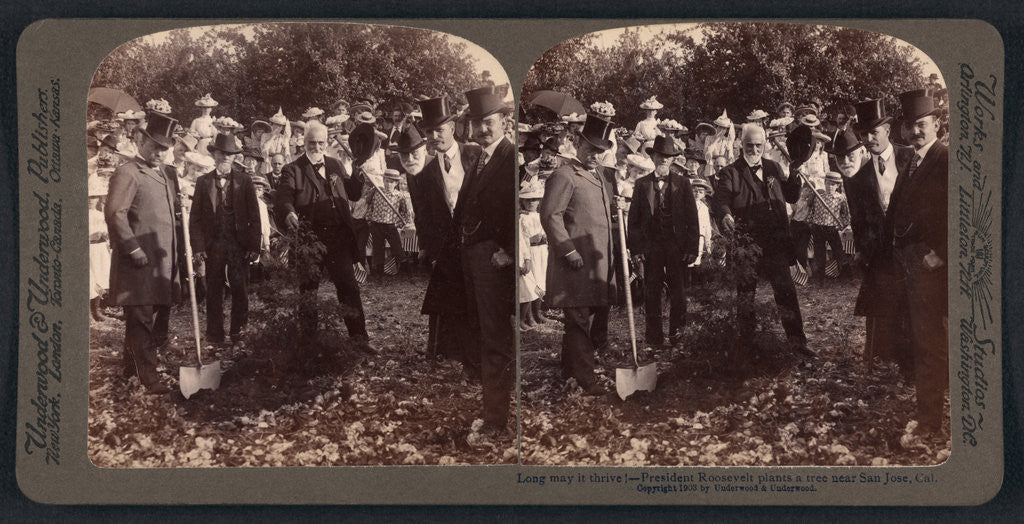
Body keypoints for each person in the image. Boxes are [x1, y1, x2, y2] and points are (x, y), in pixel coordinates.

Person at [713, 124, 811, 361]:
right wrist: (725, 214)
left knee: (786, 293)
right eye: (749, 145)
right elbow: (721, 199)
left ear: (765, 144)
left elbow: (790, 196)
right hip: (748, 247)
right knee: (746, 296)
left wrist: (795, 173)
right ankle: (747, 346)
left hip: (776, 244)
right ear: (741, 145)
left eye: (759, 145)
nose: (754, 149)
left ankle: (798, 345)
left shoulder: (774, 167)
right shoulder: (730, 172)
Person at [540, 112, 619, 396]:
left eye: (600, 151)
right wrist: (568, 249)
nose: (594, 156)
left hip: (596, 264)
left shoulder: (599, 175)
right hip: (574, 262)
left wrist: (616, 205)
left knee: (585, 316)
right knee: (578, 319)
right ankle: (586, 378)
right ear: (577, 144)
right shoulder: (564, 175)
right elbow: (550, 215)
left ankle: (567, 369)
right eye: (590, 149)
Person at [105, 112, 182, 394]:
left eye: (165, 149)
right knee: (140, 318)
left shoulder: (162, 173)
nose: (160, 153)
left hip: (160, 264)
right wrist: (133, 247)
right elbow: (115, 213)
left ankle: (131, 367)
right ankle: (147, 376)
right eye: (156, 147)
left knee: (152, 316)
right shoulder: (128, 172)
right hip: (138, 261)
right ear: (142, 140)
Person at [276, 121, 370, 343]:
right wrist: (289, 213)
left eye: (320, 143)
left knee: (348, 287)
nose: (316, 147)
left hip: (338, 238)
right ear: (304, 142)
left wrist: (357, 171)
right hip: (310, 239)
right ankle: (309, 341)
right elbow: (283, 197)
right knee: (308, 291)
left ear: (327, 143)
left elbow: (354, 194)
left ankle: (359, 339)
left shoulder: (336, 164)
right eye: (312, 142)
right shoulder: (292, 169)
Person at [457, 86, 516, 434]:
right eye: (477, 123)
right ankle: (492, 408)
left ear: (505, 121)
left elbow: (516, 208)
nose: (482, 129)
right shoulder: (479, 157)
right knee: (479, 334)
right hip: (473, 258)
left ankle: (497, 418)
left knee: (496, 339)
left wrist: (508, 251)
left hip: (496, 261)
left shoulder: (509, 157)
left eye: (489, 122)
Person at [890, 89, 949, 437]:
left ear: (937, 125)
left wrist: (941, 252)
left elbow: (964, 211)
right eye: (911, 126)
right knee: (914, 338)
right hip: (907, 263)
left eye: (922, 125)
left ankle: (930, 423)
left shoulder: (944, 159)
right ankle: (927, 412)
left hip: (931, 266)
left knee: (930, 342)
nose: (916, 132)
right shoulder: (911, 161)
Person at [846, 98, 915, 376]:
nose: (870, 138)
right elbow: (858, 221)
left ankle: (912, 364)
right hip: (880, 252)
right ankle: (883, 357)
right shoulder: (858, 178)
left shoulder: (909, 157)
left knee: (913, 307)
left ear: (888, 129)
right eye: (865, 133)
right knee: (883, 305)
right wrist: (865, 251)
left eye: (875, 131)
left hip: (911, 245)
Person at [415, 95, 482, 374]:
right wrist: (430, 250)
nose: (434, 136)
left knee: (475, 297)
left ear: (452, 128)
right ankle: (447, 353)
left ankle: (477, 354)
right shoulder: (425, 169)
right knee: (447, 297)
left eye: (440, 130)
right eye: (430, 131)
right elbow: (423, 215)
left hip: (475, 239)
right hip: (444, 244)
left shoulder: (473, 154)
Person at [189, 134, 262, 345]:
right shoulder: (203, 182)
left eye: (230, 154)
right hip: (214, 245)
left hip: (238, 244)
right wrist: (198, 247)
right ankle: (215, 334)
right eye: (222, 153)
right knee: (214, 289)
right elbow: (195, 219)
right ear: (214, 154)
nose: (226, 158)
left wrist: (254, 245)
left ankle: (238, 331)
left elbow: (254, 217)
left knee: (240, 288)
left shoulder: (245, 181)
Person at [627, 135, 700, 347]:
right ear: (654, 157)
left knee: (678, 292)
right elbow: (634, 221)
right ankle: (654, 338)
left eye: (668, 157)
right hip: (652, 247)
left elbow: (692, 219)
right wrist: (637, 248)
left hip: (677, 246)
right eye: (660, 156)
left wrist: (692, 248)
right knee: (652, 292)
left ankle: (678, 336)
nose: (663, 160)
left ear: (673, 160)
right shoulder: (642, 185)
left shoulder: (683, 183)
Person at [807, 172, 852, 284]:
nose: (829, 186)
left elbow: (846, 215)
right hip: (818, 228)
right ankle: (821, 277)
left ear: (837, 186)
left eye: (832, 184)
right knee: (819, 253)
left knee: (838, 252)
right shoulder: (818, 196)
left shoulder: (841, 198)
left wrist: (841, 225)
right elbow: (812, 211)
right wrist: (811, 222)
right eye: (827, 183)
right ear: (824, 183)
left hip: (832, 229)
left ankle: (845, 275)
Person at [366, 169, 411, 278]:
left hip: (391, 226)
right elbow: (369, 205)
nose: (388, 184)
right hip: (376, 225)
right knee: (378, 250)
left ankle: (408, 273)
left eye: (391, 182)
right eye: (386, 181)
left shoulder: (399, 196)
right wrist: (369, 219)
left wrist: (401, 224)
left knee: (397, 249)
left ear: (396, 183)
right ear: (383, 180)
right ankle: (379, 274)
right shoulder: (377, 191)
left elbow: (405, 212)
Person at [89, 179, 112, 322]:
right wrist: (89, 237)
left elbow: (106, 232)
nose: (90, 200)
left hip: (100, 249)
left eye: (93, 197)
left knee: (102, 275)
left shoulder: (99, 215)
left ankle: (99, 307)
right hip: (89, 248)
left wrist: (105, 235)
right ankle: (93, 311)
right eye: (87, 197)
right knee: (91, 278)